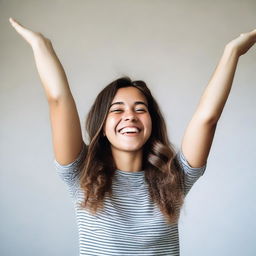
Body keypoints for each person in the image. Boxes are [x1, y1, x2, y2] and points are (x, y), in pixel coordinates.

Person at [9, 17, 256, 256]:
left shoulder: (174, 178)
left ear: (151, 123)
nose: (130, 116)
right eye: (117, 110)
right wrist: (42, 45)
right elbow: (58, 101)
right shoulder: (81, 173)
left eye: (140, 109)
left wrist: (232, 51)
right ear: (102, 127)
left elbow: (207, 118)